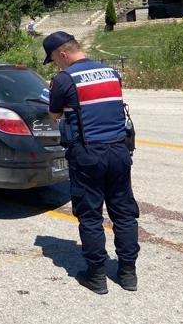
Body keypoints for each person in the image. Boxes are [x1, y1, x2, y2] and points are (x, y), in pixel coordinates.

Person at [43, 31, 139, 294]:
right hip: (119, 151)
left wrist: (53, 93)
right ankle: (128, 274)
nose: (55, 65)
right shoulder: (110, 72)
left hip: (88, 155)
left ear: (63, 54)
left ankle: (96, 276)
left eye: (53, 60)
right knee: (124, 212)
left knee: (90, 215)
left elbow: (54, 114)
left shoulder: (64, 79)